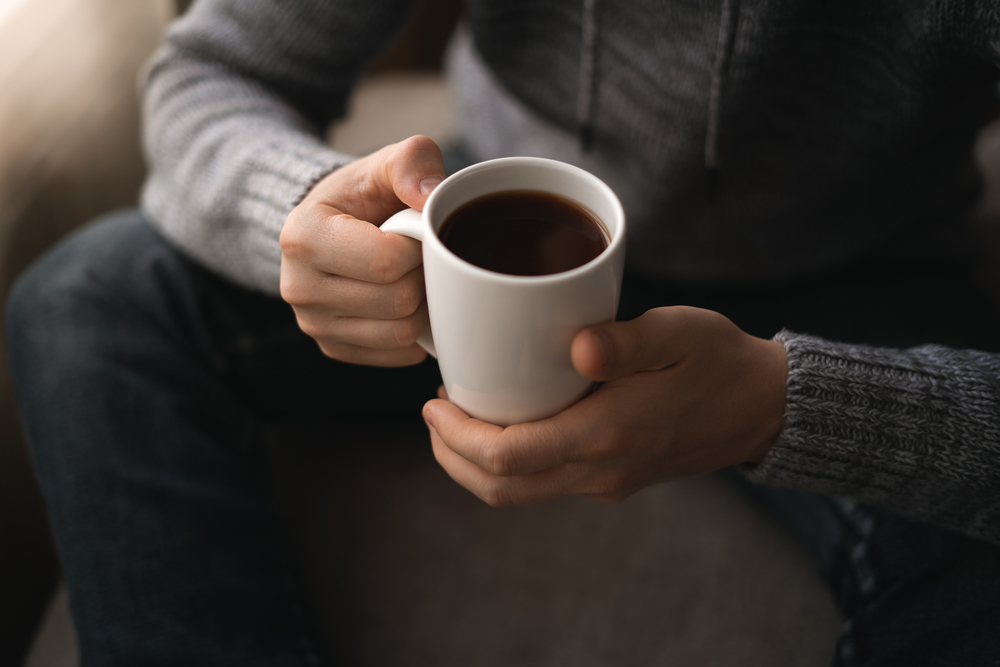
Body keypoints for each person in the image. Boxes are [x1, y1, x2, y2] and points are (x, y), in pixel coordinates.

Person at [6, 0, 1000, 664]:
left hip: (865, 273)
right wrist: (295, 213)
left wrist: (793, 402)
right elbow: (208, 70)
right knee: (84, 297)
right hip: (476, 216)